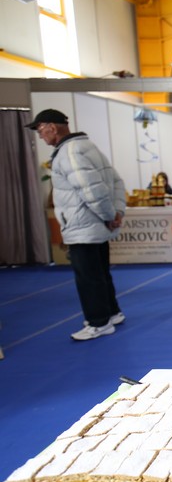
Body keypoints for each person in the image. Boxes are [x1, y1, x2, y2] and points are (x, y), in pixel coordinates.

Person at [27, 108, 126, 341]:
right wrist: (115, 212)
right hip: (95, 225)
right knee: (100, 273)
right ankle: (112, 313)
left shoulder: (69, 152)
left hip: (84, 227)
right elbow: (116, 181)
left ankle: (98, 322)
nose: (40, 136)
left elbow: (91, 190)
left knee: (88, 278)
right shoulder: (86, 146)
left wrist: (109, 215)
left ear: (52, 127)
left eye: (40, 130)